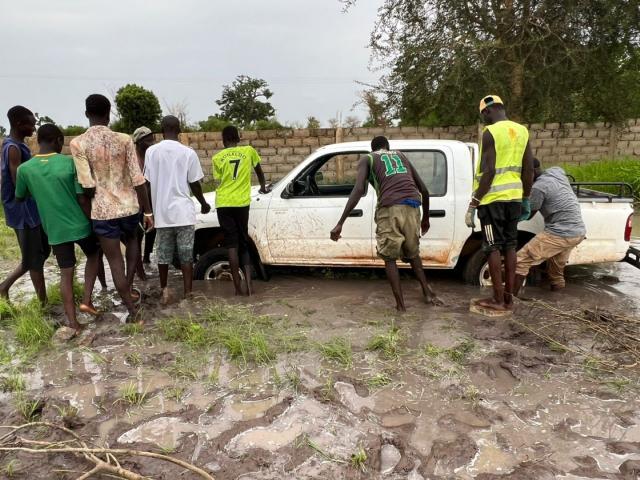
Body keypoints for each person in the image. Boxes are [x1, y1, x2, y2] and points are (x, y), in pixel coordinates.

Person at [330, 136, 440, 311]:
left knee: (389, 258)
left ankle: (401, 307)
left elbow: (358, 189)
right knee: (413, 254)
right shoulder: (401, 156)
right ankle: (427, 294)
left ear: (373, 149)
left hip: (390, 208)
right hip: (413, 206)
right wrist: (425, 219)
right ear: (388, 148)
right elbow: (424, 190)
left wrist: (340, 222)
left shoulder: (369, 158)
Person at [70, 94, 153, 323]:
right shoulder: (125, 139)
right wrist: (147, 212)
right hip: (130, 207)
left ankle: (133, 312)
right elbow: (139, 180)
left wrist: (95, 197)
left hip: (103, 212)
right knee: (134, 241)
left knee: (114, 260)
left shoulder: (78, 144)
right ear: (109, 114)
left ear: (87, 114)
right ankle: (129, 285)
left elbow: (86, 185)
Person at [15, 124, 100, 333]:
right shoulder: (69, 163)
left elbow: (20, 196)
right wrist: (92, 221)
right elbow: (82, 198)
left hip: (54, 229)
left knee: (66, 274)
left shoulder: (24, 169)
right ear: (58, 141)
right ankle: (87, 299)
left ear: (38, 141)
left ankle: (73, 323)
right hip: (80, 224)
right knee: (94, 254)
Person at [465, 95, 534, 311]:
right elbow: (529, 169)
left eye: (482, 115)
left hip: (492, 201)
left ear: (487, 111)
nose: (483, 119)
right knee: (510, 246)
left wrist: (474, 203)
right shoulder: (522, 131)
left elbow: (489, 172)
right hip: (514, 199)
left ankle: (497, 300)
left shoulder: (490, 133)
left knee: (492, 247)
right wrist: (525, 198)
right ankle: (508, 299)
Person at [144, 116, 210, 302]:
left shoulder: (151, 152)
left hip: (162, 214)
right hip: (184, 214)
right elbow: (194, 183)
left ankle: (165, 290)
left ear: (161, 129)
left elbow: (146, 184)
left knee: (163, 255)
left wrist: (148, 211)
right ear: (179, 129)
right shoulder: (188, 152)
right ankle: (188, 293)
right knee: (186, 255)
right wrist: (203, 203)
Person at [212, 125, 269, 296]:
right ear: (238, 138)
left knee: (231, 243)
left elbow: (219, 181)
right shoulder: (248, 151)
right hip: (242, 203)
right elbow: (259, 171)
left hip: (223, 203)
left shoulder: (217, 157)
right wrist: (263, 187)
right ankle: (250, 287)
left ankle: (237, 288)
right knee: (243, 242)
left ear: (223, 140)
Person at [514, 159, 586, 295]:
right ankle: (557, 302)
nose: (522, 178)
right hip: (577, 232)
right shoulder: (557, 172)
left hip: (560, 232)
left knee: (521, 260)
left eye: (523, 175)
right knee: (555, 272)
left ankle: (509, 300)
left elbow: (528, 214)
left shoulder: (538, 188)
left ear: (532, 172)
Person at [0, 106, 49, 303]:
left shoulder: (17, 145)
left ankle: (7, 286)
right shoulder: (12, 148)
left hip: (29, 208)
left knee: (43, 251)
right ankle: (41, 302)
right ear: (19, 124)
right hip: (23, 210)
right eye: (31, 123)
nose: (34, 127)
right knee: (33, 259)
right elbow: (19, 181)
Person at [132, 126, 157, 265]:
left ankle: (146, 257)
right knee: (138, 233)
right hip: (136, 201)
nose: (151, 142)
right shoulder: (133, 159)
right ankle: (137, 262)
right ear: (139, 142)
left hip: (150, 199)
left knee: (152, 229)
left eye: (151, 139)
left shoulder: (151, 156)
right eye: (147, 140)